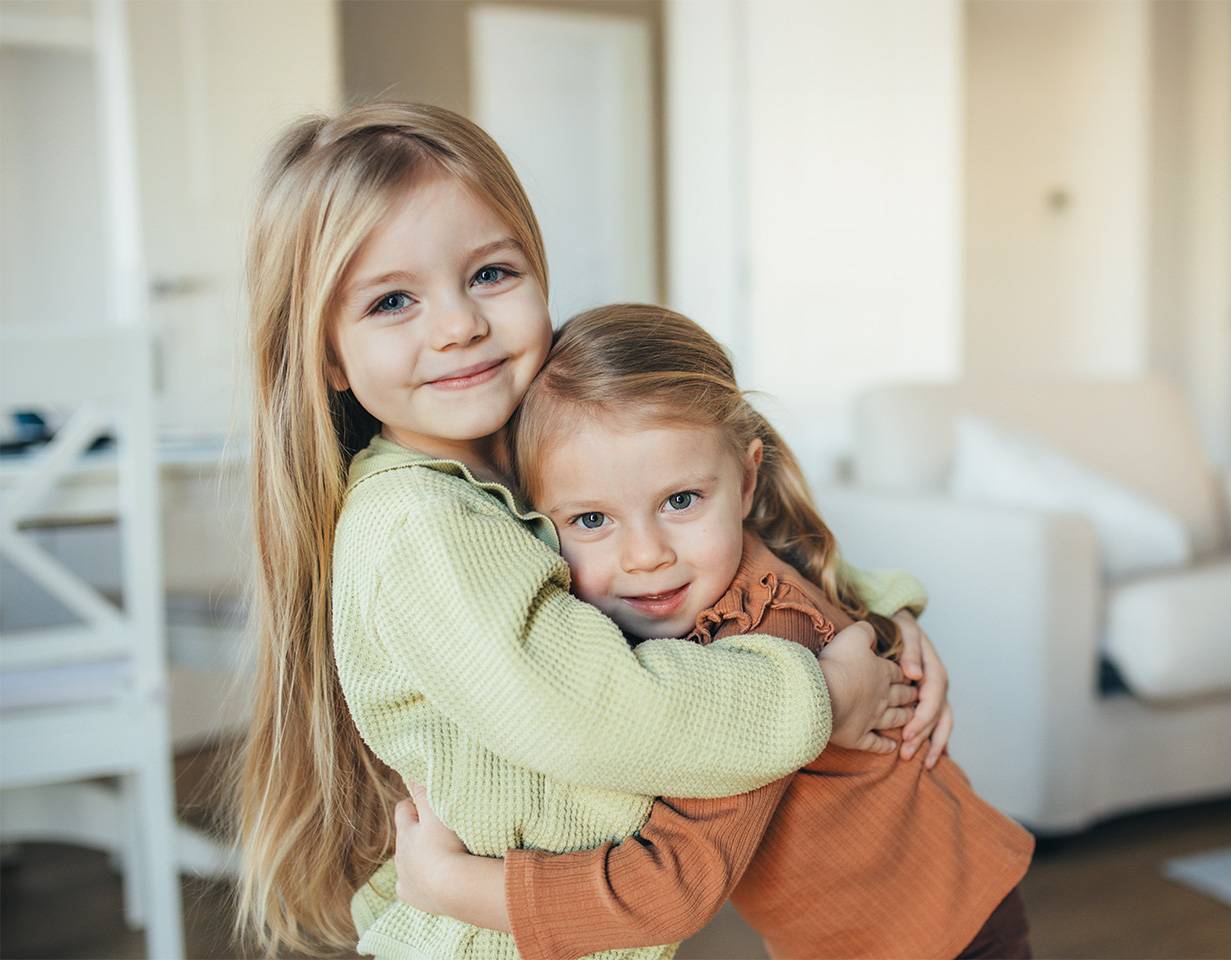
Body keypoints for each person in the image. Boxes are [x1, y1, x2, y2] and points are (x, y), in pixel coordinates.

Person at [235, 102, 952, 958]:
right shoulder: (422, 527)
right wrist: (828, 693)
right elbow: (597, 715)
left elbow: (715, 523)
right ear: (325, 355)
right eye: (393, 301)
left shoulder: (523, 448)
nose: (458, 324)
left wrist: (873, 618)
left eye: (491, 275)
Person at [392, 305, 1034, 959]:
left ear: (747, 479)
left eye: (680, 501)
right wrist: (895, 609)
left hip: (940, 937)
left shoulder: (754, 662)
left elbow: (667, 892)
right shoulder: (702, 591)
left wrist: (451, 884)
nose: (646, 556)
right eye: (591, 519)